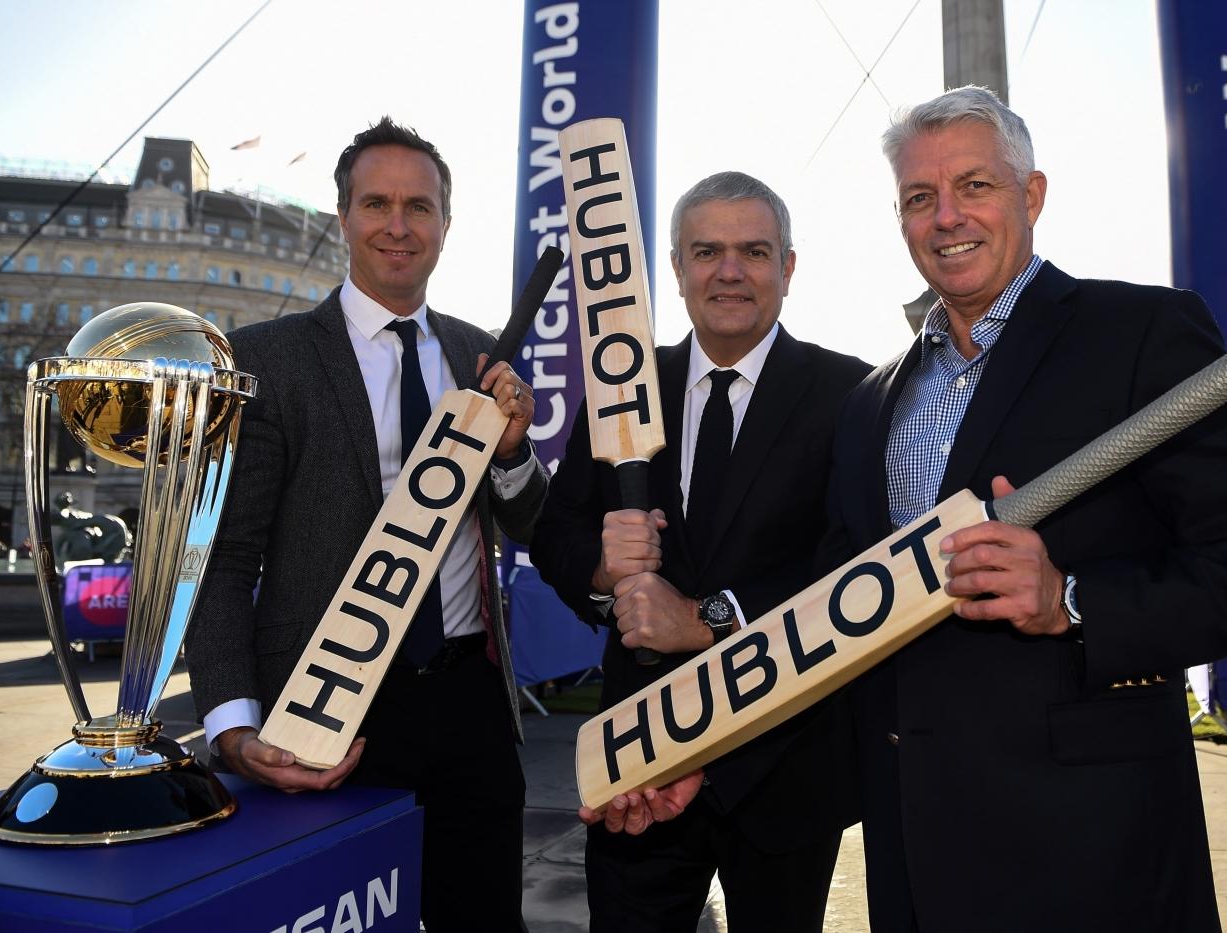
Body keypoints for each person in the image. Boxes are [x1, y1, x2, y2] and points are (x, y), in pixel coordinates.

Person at [820, 87, 1227, 931]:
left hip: (1093, 855)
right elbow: (835, 610)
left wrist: (1072, 599)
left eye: (974, 185)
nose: (947, 217)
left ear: (1032, 194)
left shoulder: (1141, 333)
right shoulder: (871, 402)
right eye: (919, 197)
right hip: (911, 858)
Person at [186, 117, 547, 932]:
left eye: (419, 206)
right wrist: (234, 728)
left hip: (470, 707)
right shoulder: (266, 358)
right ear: (342, 217)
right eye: (376, 203)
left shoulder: (480, 354)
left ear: (446, 224)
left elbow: (532, 521)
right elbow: (225, 557)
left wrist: (514, 452)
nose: (398, 225)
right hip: (323, 709)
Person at [531, 172, 871, 933]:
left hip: (785, 765)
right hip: (640, 768)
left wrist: (708, 619)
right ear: (677, 269)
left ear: (788, 266)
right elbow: (556, 531)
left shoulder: (852, 393)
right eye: (707, 251)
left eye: (754, 251)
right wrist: (602, 567)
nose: (729, 271)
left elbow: (852, 563)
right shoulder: (622, 388)